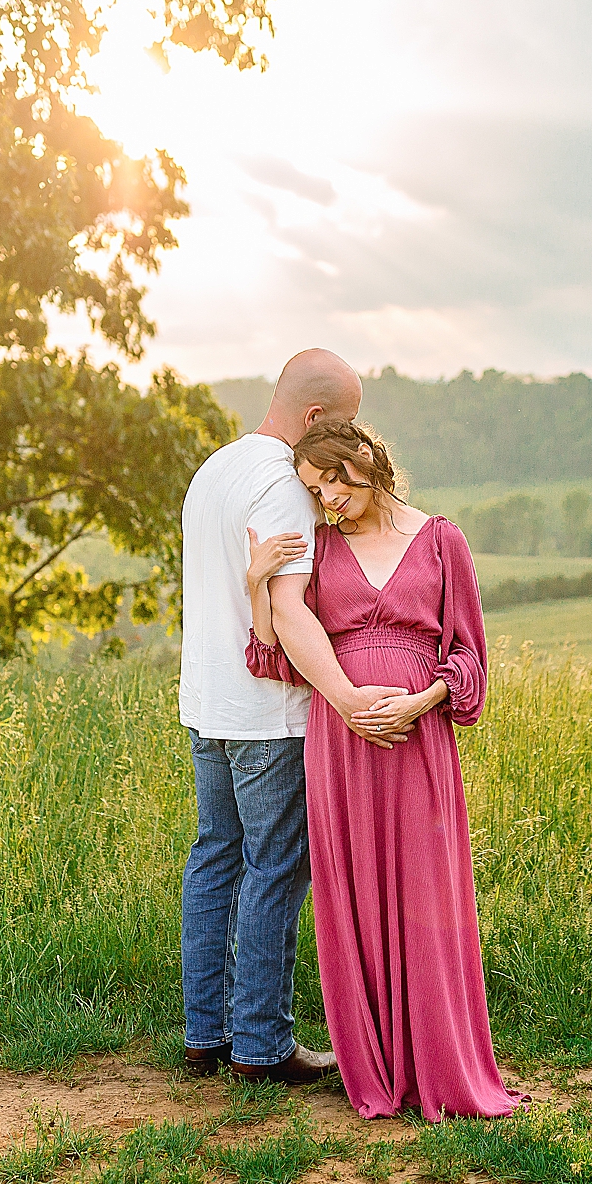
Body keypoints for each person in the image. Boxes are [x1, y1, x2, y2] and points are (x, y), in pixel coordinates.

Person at [245, 419, 524, 1121]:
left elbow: (468, 657)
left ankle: (437, 1063)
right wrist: (257, 584)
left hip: (416, 744)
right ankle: (377, 1067)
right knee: (356, 902)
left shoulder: (441, 540)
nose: (327, 499)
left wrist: (421, 700)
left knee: (425, 898)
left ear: (363, 459)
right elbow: (278, 651)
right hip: (338, 748)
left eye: (333, 480)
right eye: (315, 490)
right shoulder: (319, 546)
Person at [177, 349, 398, 1085]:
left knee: (214, 857)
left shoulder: (215, 469)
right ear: (314, 418)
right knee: (275, 868)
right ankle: (262, 1045)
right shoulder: (281, 484)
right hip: (267, 714)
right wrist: (345, 696)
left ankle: (204, 1033)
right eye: (340, 426)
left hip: (205, 703)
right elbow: (290, 610)